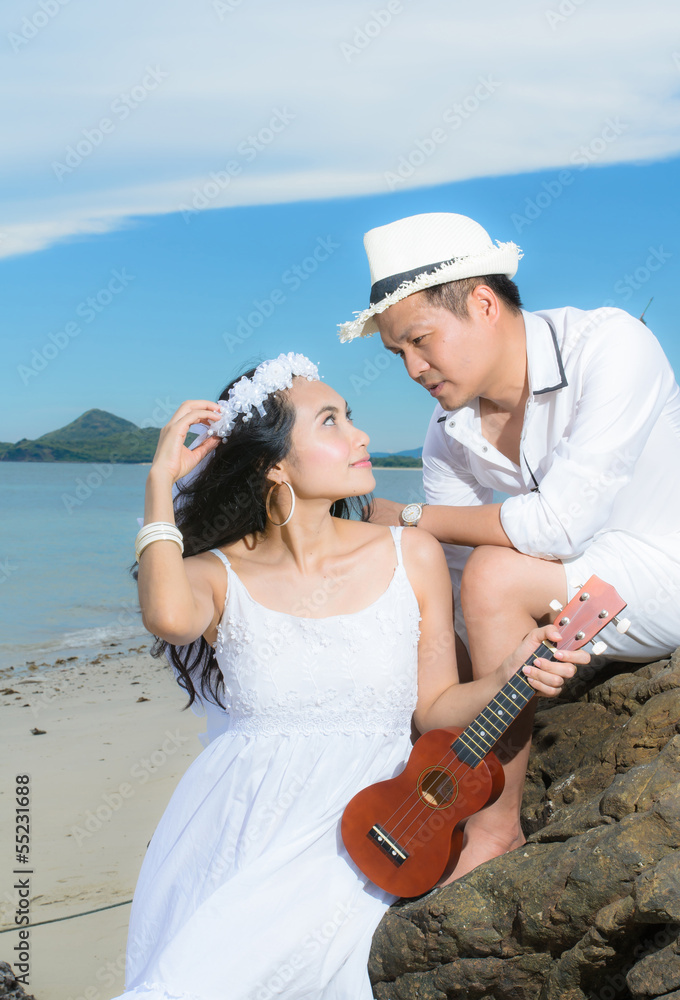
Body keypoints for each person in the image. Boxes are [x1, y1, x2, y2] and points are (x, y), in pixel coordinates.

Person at [111, 352, 587, 1000]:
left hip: (375, 813)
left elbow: (437, 709)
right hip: (247, 819)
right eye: (331, 422)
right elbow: (168, 616)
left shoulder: (409, 554)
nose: (360, 435)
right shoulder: (216, 573)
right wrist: (160, 481)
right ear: (273, 464)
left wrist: (509, 673)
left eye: (351, 418)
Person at [339, 211, 680, 879]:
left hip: (665, 567)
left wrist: (406, 515)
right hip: (578, 599)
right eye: (397, 354)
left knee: (495, 575)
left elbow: (558, 528)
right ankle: (437, 800)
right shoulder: (449, 429)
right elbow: (454, 576)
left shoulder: (610, 344)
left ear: (484, 302)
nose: (412, 367)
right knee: (458, 591)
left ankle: (496, 830)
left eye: (421, 340)